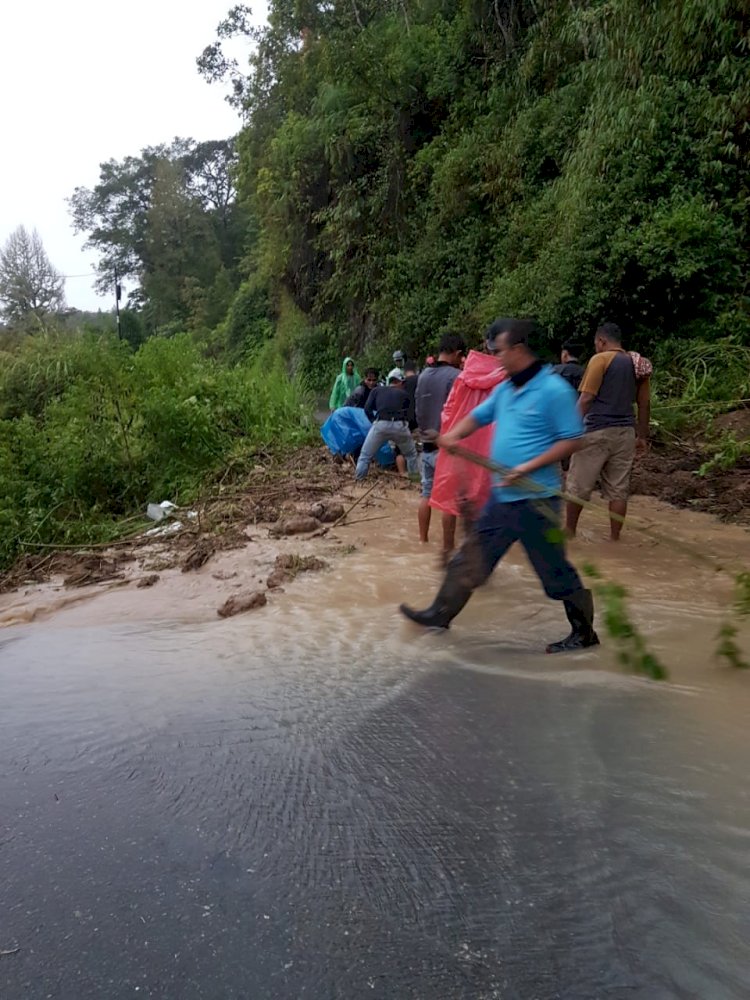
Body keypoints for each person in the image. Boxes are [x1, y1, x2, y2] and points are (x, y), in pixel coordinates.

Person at [400, 317, 598, 654]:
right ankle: (439, 614)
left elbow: (573, 440)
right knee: (469, 559)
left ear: (518, 349)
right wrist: (452, 436)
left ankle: (584, 634)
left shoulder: (553, 390)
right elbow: (479, 416)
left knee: (555, 572)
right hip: (503, 498)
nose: (496, 357)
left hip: (538, 500)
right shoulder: (506, 389)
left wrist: (528, 466)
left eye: (499, 351)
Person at [565, 322, 651, 542]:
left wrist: (570, 431)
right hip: (625, 434)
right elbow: (644, 404)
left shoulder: (600, 360)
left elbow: (585, 398)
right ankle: (615, 538)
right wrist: (641, 436)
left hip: (596, 431)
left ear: (601, 341)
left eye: (596, 343)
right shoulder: (637, 364)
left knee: (578, 486)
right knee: (618, 490)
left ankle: (569, 532)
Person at [429, 338, 507, 560]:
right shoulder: (504, 380)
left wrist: (448, 435)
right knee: (480, 503)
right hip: (486, 450)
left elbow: (447, 411)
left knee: (449, 501)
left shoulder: (462, 377)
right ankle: (472, 557)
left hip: (456, 444)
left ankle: (446, 550)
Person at [415, 333, 466, 543]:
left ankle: (423, 541)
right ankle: (448, 548)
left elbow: (418, 410)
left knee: (426, 493)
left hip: (425, 445)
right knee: (450, 501)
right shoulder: (456, 377)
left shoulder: (423, 375)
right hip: (446, 448)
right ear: (458, 353)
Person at [356, 369, 419, 481]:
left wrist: (374, 420)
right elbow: (411, 415)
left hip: (381, 424)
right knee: (411, 455)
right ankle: (415, 481)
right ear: (401, 382)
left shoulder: (376, 390)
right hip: (400, 425)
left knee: (365, 456)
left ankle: (359, 481)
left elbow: (367, 409)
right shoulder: (405, 394)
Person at [402, 361, 419, 431]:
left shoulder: (401, 383)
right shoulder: (421, 380)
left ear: (404, 371)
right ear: (416, 369)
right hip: (420, 417)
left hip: (407, 419)